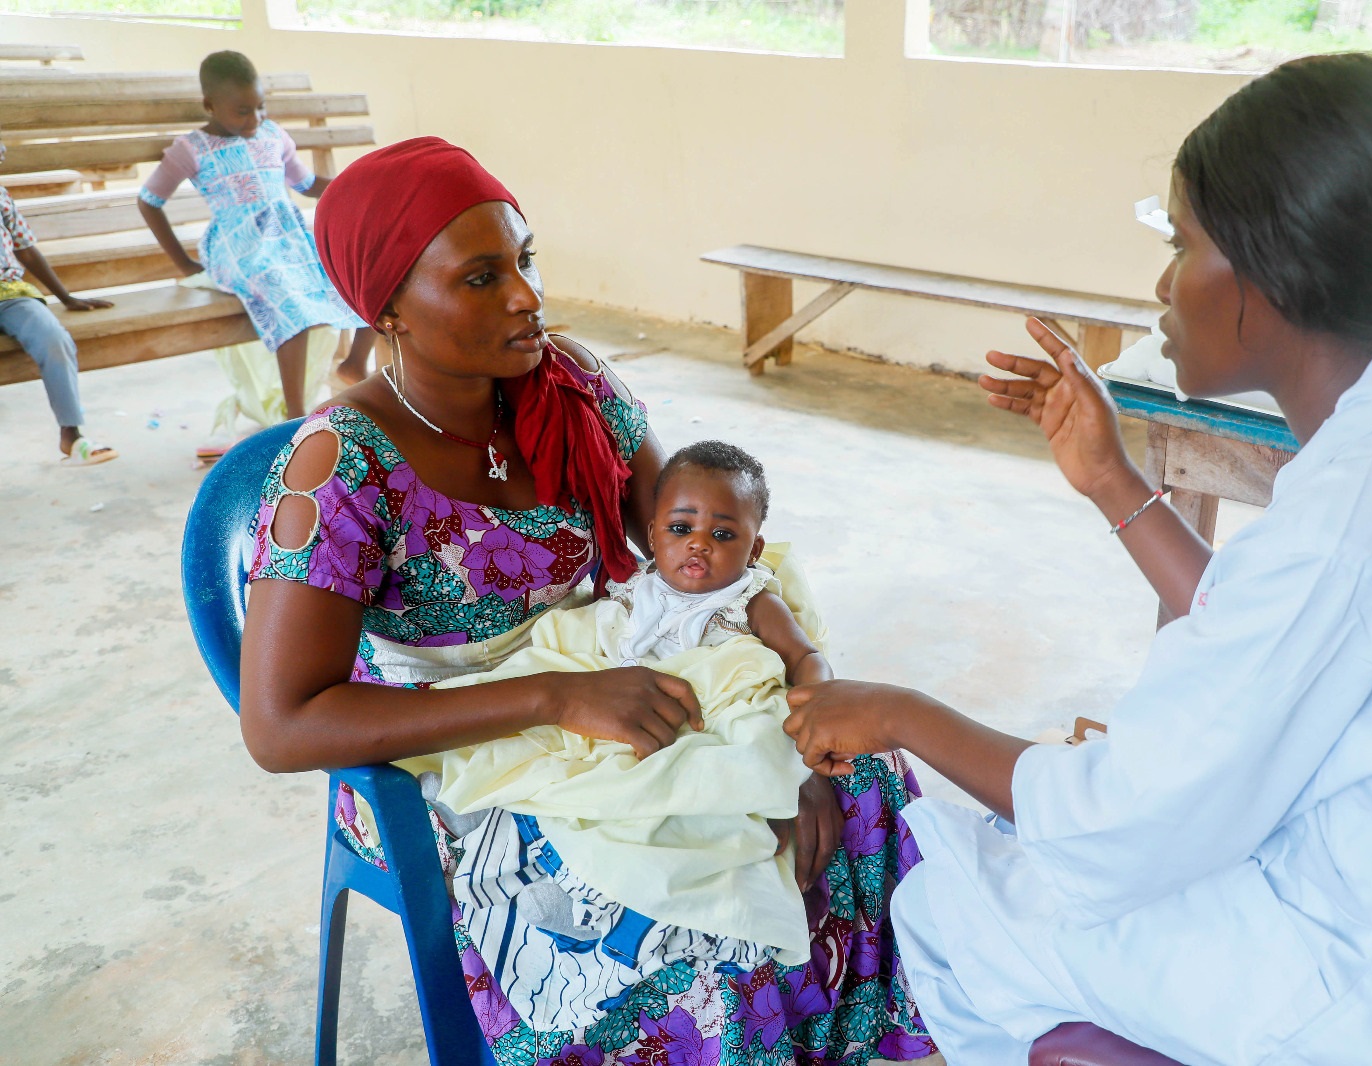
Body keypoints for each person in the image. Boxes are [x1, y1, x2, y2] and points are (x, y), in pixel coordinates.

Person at [783, 53, 1372, 1065]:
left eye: (1179, 243)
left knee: (952, 900)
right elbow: (1269, 632)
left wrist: (895, 713)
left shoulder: (1361, 515)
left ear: (1266, 277)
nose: (1159, 284)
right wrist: (1109, 478)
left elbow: (1117, 825)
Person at [239, 137, 933, 1065]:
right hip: (451, 753)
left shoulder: (569, 385)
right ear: (391, 307)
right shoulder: (338, 467)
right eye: (482, 278)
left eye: (524, 261)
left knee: (862, 784)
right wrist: (556, 698)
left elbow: (694, 558)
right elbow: (282, 726)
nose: (527, 297)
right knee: (686, 920)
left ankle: (853, 1040)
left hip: (620, 674)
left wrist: (784, 725)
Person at [414, 441, 838, 1032]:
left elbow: (804, 657)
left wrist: (815, 723)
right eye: (681, 528)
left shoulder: (750, 600)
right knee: (554, 719)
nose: (698, 545)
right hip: (616, 691)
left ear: (754, 548)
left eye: (723, 535)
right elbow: (601, 639)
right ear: (654, 533)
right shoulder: (639, 585)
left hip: (706, 701)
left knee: (733, 780)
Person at [137, 50, 373, 426]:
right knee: (284, 295)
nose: (256, 118)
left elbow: (307, 184)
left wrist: (357, 186)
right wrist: (183, 263)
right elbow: (149, 201)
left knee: (361, 268)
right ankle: (295, 418)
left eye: (260, 107)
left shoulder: (273, 135)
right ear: (210, 105)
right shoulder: (191, 149)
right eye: (243, 110)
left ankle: (354, 364)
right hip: (237, 246)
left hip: (288, 237)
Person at [0, 130, 118, 465]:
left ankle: (72, 434)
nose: (2, 153)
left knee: (54, 339)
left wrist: (66, 297)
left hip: (10, 294)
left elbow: (25, 248)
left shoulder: (1, 196)